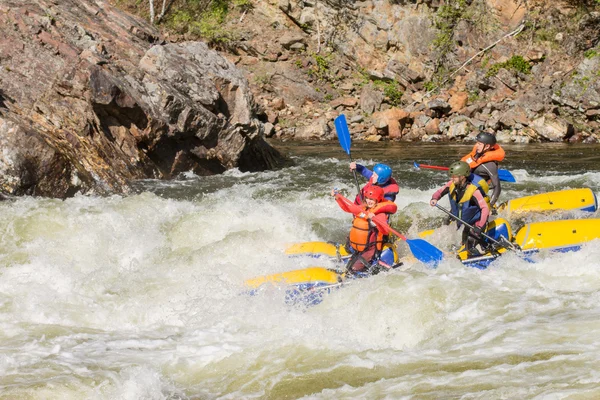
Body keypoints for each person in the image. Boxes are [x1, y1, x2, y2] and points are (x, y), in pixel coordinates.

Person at [429, 161, 491, 257]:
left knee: (470, 244)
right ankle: (464, 253)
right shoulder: (451, 184)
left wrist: (479, 227)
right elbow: (439, 192)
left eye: (454, 176)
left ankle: (479, 255)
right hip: (467, 222)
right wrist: (434, 198)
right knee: (464, 242)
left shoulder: (474, 190)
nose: (452, 178)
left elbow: (485, 208)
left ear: (462, 176)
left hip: (477, 222)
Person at [332, 186, 397, 273]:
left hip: (369, 250)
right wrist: (338, 198)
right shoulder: (363, 208)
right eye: (367, 198)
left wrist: (375, 220)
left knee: (353, 270)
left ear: (378, 200)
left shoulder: (380, 214)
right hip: (357, 248)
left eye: (372, 199)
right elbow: (348, 208)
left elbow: (385, 231)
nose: (369, 201)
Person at [461, 132, 505, 206]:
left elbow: (497, 187)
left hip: (476, 194)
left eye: (479, 144)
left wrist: (490, 205)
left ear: (487, 146)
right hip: (466, 188)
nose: (476, 146)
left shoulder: (490, 165)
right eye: (477, 143)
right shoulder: (476, 155)